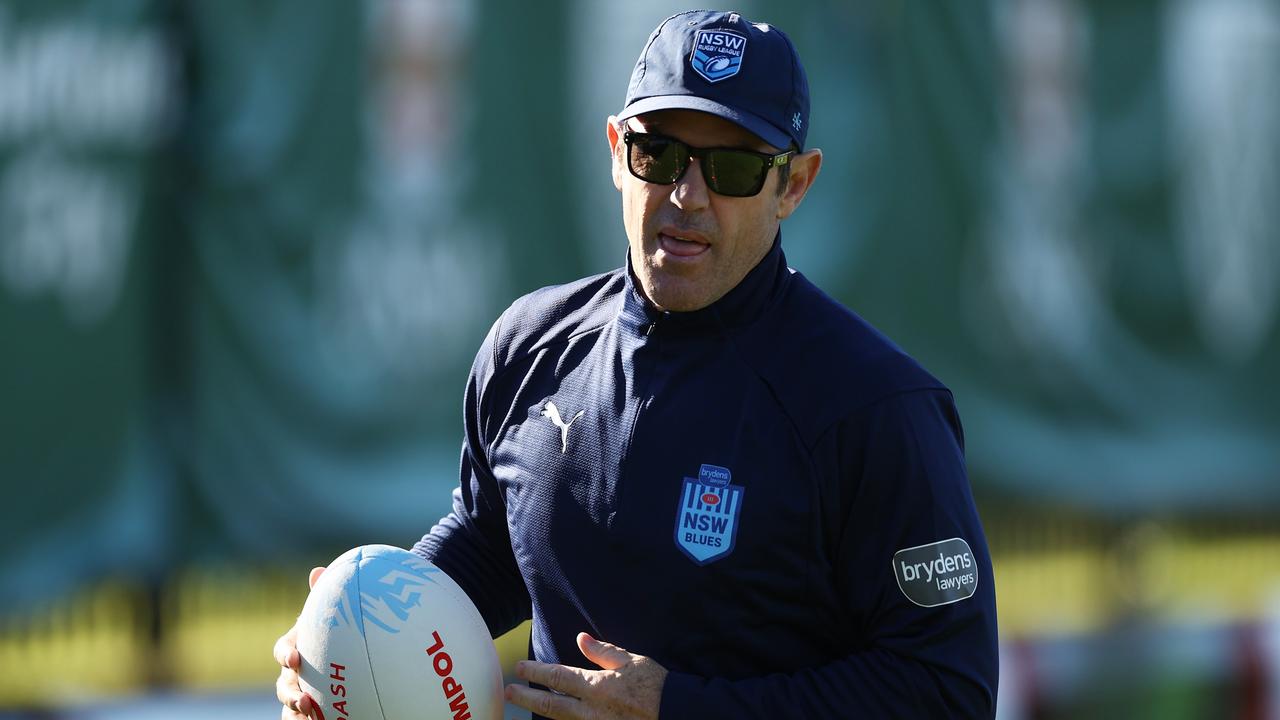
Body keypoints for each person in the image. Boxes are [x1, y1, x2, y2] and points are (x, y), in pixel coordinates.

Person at [276, 9, 998, 719]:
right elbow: (494, 546)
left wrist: (680, 709)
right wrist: (351, 633)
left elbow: (946, 690)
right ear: (617, 150)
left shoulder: (875, 407)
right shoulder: (529, 350)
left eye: (735, 168)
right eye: (659, 155)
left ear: (794, 185)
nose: (687, 196)